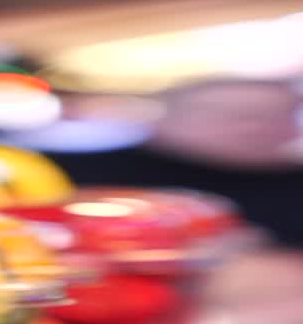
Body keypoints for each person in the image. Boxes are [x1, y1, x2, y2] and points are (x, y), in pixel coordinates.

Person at [49, 78, 303, 247]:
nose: (263, 129)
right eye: (243, 117)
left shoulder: (292, 184)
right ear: (169, 119)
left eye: (281, 116)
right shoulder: (81, 170)